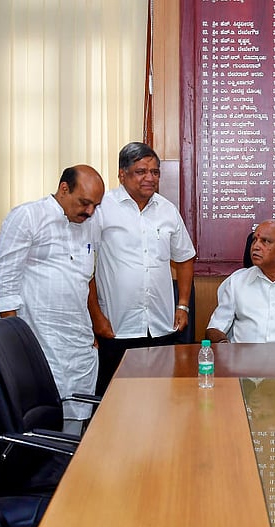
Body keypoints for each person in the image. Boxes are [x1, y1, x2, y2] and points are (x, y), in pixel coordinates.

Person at [0, 165, 104, 434]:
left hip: (77, 341)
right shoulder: (28, 216)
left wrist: (91, 327)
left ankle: (68, 472)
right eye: (84, 202)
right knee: (40, 423)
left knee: (75, 423)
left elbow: (83, 281)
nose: (90, 211)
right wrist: (14, 346)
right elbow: (4, 281)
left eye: (95, 205)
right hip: (38, 340)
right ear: (64, 189)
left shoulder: (88, 225)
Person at [92, 142, 196, 394]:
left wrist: (182, 304)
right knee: (116, 402)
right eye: (141, 171)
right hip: (117, 327)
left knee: (162, 398)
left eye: (155, 172)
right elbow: (85, 269)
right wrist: (96, 318)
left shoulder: (167, 210)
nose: (150, 178)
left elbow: (184, 258)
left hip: (161, 325)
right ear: (122, 174)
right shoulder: (101, 209)